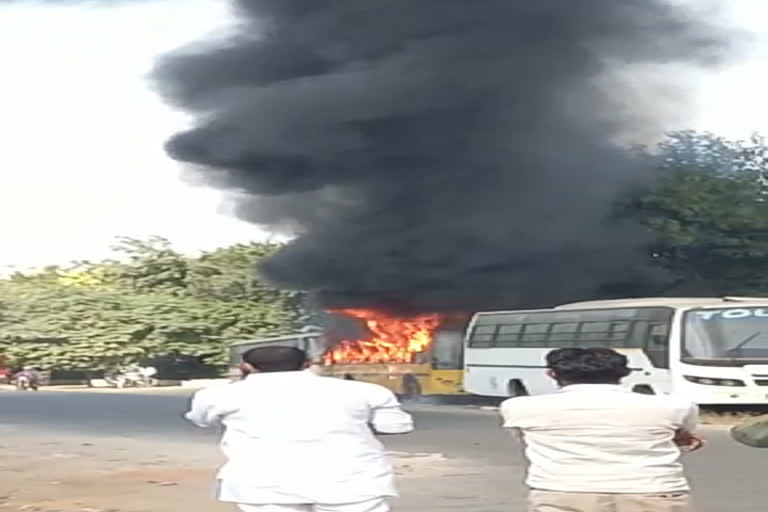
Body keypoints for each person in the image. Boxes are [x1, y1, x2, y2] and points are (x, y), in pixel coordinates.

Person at [185, 346, 414, 512]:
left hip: (263, 483)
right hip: (351, 481)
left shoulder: (218, 395)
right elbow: (395, 426)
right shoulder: (367, 391)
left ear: (246, 367)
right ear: (307, 364)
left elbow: (201, 420)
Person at [500, 347, 703, 512]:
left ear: (552, 374)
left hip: (563, 493)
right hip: (653, 492)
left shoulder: (518, 407)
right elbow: (682, 434)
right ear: (625, 373)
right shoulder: (675, 406)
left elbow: (524, 439)